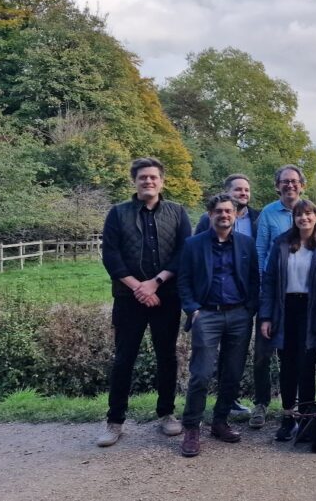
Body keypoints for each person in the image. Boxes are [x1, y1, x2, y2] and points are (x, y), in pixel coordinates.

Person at [96, 157, 191, 447]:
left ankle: (166, 414)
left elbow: (183, 252)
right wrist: (138, 286)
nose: (148, 181)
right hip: (128, 298)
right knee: (124, 359)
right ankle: (115, 421)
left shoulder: (177, 212)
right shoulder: (117, 213)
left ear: (162, 181)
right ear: (134, 181)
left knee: (166, 357)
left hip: (166, 297)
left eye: (153, 177)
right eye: (142, 178)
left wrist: (156, 283)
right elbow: (111, 255)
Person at [177, 194, 261, 457]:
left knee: (233, 373)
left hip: (238, 315)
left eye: (228, 211)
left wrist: (249, 310)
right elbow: (184, 280)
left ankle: (220, 422)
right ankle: (192, 427)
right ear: (210, 215)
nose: (224, 215)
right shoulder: (193, 244)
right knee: (201, 373)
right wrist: (193, 310)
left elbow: (254, 279)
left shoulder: (247, 244)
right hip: (208, 316)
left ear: (235, 214)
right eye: (218, 211)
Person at [258, 199, 316, 442]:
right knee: (287, 366)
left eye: (309, 214)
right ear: (294, 218)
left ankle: (306, 417)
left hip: (311, 310)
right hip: (286, 309)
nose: (304, 218)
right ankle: (287, 416)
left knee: (306, 365)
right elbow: (270, 280)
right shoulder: (282, 243)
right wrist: (266, 316)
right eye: (299, 214)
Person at [194, 174, 260, 418]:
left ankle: (226, 409)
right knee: (202, 369)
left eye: (246, 190)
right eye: (238, 189)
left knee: (233, 365)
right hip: (209, 306)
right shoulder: (206, 223)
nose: (243, 193)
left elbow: (254, 269)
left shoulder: (256, 219)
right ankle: (195, 420)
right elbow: (193, 260)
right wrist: (193, 306)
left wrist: (250, 305)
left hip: (239, 306)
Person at [249, 164, 306, 429]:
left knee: (292, 355)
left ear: (301, 185)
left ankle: (292, 408)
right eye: (285, 181)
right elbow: (260, 251)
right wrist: (264, 291)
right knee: (263, 352)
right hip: (273, 293)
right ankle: (261, 403)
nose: (290, 185)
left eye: (294, 181)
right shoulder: (269, 214)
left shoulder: (308, 211)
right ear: (277, 185)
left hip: (299, 295)